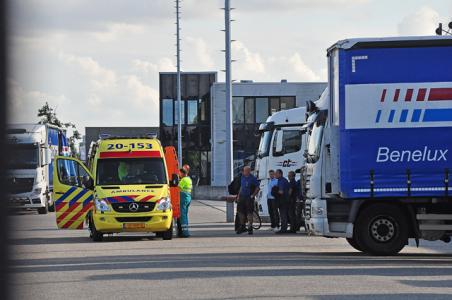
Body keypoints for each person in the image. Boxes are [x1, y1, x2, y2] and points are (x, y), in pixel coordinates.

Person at [236, 166, 260, 235]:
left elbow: (258, 188)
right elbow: (241, 187)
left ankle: (250, 227)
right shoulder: (242, 177)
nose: (244, 172)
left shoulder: (252, 178)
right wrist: (238, 196)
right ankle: (242, 226)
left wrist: (252, 195)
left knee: (249, 213)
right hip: (242, 197)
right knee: (240, 212)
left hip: (249, 198)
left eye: (246, 171)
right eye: (244, 171)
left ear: (248, 171)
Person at [274, 169, 290, 234]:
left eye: (276, 173)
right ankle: (283, 228)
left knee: (283, 215)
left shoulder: (282, 181)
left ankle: (283, 229)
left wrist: (275, 191)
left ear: (280, 174)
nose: (275, 175)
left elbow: (281, 191)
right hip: (283, 200)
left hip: (283, 200)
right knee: (283, 214)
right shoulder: (281, 180)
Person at [178, 168, 192, 237]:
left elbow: (178, 188)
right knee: (185, 215)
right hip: (188, 197)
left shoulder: (183, 180)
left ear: (182, 173)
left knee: (183, 216)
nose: (179, 174)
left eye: (179, 173)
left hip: (183, 197)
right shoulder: (189, 179)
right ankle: (186, 231)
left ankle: (185, 233)